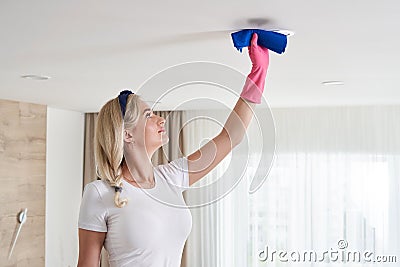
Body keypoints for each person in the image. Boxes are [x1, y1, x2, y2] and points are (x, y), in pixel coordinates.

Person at [77, 33, 269, 267]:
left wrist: (257, 74)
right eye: (149, 115)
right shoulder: (99, 193)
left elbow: (231, 137)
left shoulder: (172, 177)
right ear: (127, 134)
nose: (161, 120)